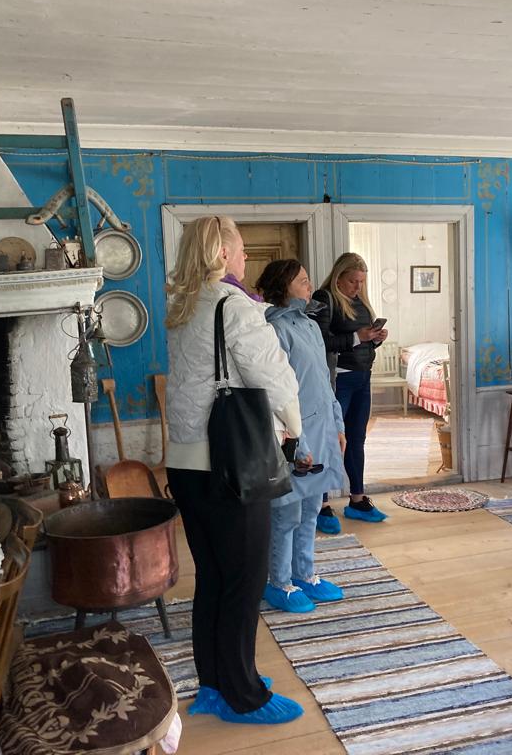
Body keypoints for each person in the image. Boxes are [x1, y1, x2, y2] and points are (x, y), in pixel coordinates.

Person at [164, 215, 304, 725]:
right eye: (241, 249)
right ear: (222, 254)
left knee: (213, 578)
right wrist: (295, 428)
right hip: (232, 465)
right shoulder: (234, 305)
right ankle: (245, 696)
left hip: (185, 464)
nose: (246, 258)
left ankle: (215, 685)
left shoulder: (181, 307)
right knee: (244, 582)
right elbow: (276, 379)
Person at [257, 259, 347, 613]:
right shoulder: (273, 329)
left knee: (311, 507)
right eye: (302, 280)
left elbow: (324, 381)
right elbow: (276, 392)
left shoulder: (309, 325)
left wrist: (338, 425)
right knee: (287, 513)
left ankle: (304, 574)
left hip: (322, 429)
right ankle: (279, 582)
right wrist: (297, 442)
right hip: (292, 435)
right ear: (283, 286)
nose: (310, 285)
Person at [310, 252, 389, 533]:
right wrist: (358, 337)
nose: (358, 286)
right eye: (353, 281)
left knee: (357, 440)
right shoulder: (324, 298)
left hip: (362, 377)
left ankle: (357, 499)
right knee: (330, 441)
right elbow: (318, 341)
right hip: (338, 381)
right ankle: (321, 505)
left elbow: (360, 342)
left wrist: (374, 340)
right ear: (339, 277)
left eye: (362, 281)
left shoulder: (360, 302)